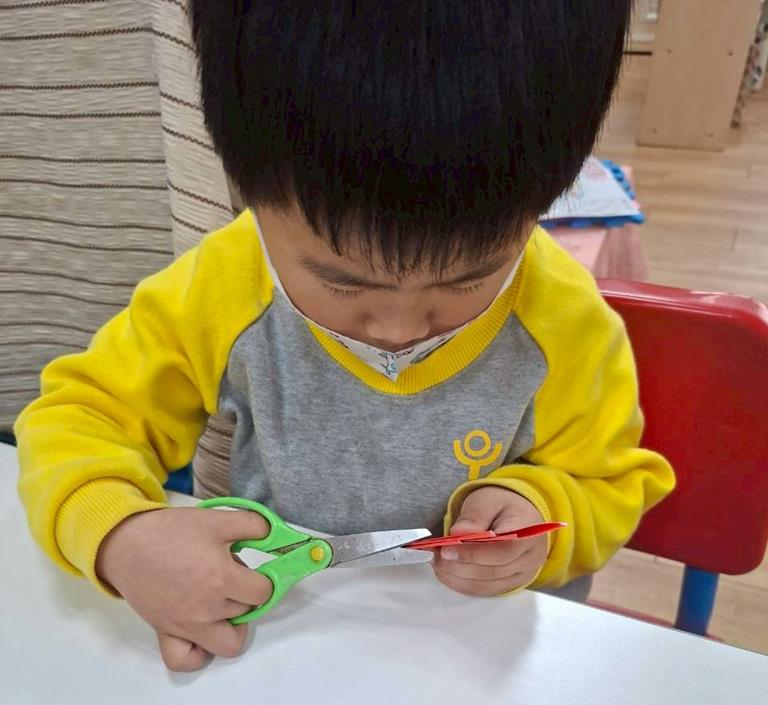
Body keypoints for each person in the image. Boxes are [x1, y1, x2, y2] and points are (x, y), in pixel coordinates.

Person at [15, 1, 674, 671]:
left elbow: (610, 482)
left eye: (467, 280)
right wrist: (120, 536)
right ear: (249, 195)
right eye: (343, 284)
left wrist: (540, 512)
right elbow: (79, 420)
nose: (400, 330)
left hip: (465, 656)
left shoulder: (562, 320)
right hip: (276, 632)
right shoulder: (224, 288)